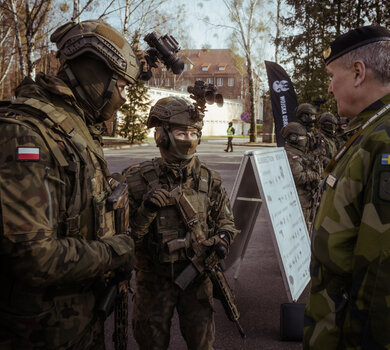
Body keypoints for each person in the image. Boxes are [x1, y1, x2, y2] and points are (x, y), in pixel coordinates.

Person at [0, 20, 139, 349]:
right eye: (122, 85)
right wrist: (113, 251)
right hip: (38, 336)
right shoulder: (24, 135)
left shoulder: (75, 127)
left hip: (79, 326)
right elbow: (33, 257)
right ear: (96, 75)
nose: (124, 96)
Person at [123, 96, 239, 350]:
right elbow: (125, 242)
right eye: (180, 132)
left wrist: (222, 242)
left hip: (197, 280)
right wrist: (146, 210)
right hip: (153, 282)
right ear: (161, 135)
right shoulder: (135, 180)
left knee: (202, 344)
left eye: (193, 132)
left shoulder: (210, 179)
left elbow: (226, 222)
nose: (188, 138)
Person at [304, 25, 390, 349]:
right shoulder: (369, 132)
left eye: (331, 75)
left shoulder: (384, 140)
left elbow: (381, 272)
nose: (328, 88)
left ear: (357, 72)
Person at [281, 122, 321, 229]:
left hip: (307, 199)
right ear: (293, 138)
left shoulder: (299, 152)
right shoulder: (290, 154)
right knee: (300, 230)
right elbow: (297, 177)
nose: (305, 139)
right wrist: (314, 175)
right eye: (302, 137)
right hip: (298, 201)